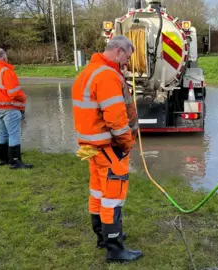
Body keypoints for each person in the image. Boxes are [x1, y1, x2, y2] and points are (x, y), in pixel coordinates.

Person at [72, 35, 141, 263]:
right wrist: (126, 143)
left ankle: (103, 236)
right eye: (127, 58)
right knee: (112, 197)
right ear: (119, 50)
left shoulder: (87, 72)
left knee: (97, 193)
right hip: (108, 148)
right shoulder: (107, 76)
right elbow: (116, 119)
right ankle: (115, 249)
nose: (126, 64)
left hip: (91, 147)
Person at [0, 48, 33, 169]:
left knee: (2, 134)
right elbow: (14, 93)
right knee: (14, 134)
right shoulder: (6, 71)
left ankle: (3, 159)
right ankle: (15, 162)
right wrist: (24, 97)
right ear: (4, 57)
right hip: (9, 108)